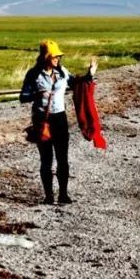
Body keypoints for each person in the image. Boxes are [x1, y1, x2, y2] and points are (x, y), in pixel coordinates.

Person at [20, 40, 97, 204]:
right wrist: (38, 95)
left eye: (58, 56)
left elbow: (76, 83)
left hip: (60, 118)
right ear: (46, 56)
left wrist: (89, 74)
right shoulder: (33, 74)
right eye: (54, 56)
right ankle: (48, 196)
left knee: (63, 158)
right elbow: (23, 97)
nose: (57, 58)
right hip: (42, 120)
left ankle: (63, 194)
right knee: (46, 160)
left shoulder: (62, 71)